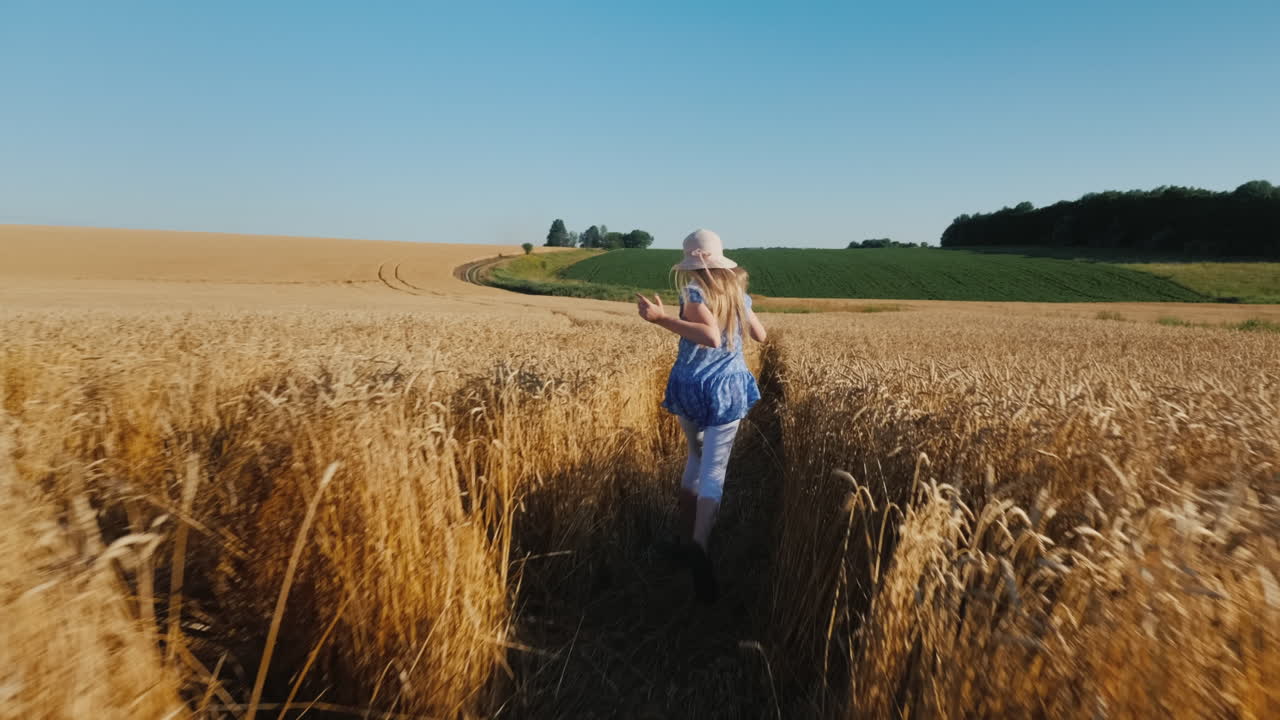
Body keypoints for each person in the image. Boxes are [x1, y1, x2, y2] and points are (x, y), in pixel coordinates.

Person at [635, 229, 767, 602]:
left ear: (693, 263)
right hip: (726, 387)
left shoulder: (693, 292)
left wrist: (660, 318)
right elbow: (760, 335)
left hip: (691, 385)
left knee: (695, 458)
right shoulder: (737, 293)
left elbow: (708, 336)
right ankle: (699, 545)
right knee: (714, 468)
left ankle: (684, 539)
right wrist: (741, 311)